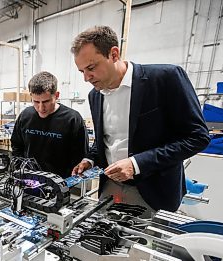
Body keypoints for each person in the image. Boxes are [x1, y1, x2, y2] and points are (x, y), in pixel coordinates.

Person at [70, 26, 210, 214]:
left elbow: (197, 137)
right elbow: (106, 139)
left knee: (146, 243)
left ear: (113, 54)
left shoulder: (165, 79)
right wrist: (90, 159)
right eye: (82, 72)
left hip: (154, 190)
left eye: (91, 68)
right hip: (110, 186)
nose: (87, 78)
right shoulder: (95, 96)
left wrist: (137, 164)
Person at [11, 71, 89, 178]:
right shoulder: (25, 116)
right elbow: (17, 146)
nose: (41, 108)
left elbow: (80, 155)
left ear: (56, 95)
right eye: (36, 102)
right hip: (28, 180)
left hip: (59, 184)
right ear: (31, 96)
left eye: (46, 101)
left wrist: (66, 179)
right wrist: (20, 170)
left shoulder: (72, 119)